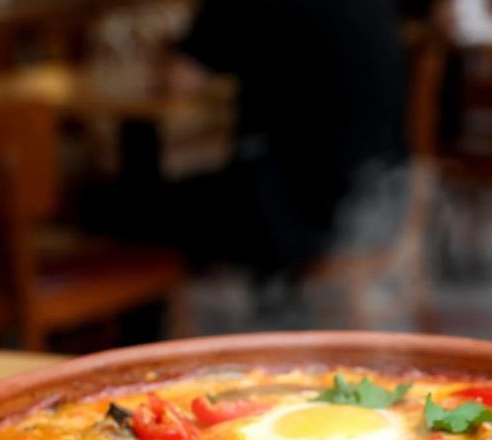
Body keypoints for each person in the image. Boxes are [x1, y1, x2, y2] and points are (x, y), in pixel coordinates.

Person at [166, 0, 409, 280]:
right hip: (385, 200)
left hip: (292, 217)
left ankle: (143, 317)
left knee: (116, 208)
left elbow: (181, 80)